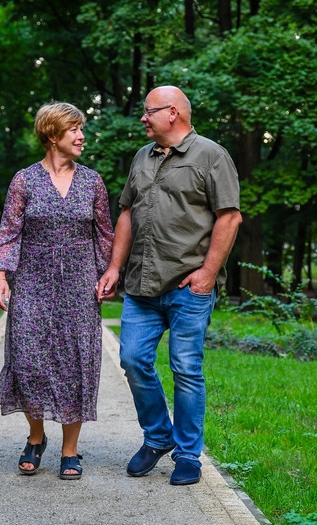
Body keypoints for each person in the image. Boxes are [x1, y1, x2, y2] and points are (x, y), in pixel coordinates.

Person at [97, 86, 242, 486]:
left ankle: (188, 454)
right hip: (142, 284)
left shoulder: (211, 155)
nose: (143, 118)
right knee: (132, 359)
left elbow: (229, 217)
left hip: (187, 285)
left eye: (149, 111)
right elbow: (127, 214)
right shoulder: (142, 157)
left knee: (186, 369)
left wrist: (207, 274)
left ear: (173, 112)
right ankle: (158, 435)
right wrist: (114, 267)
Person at [0, 101, 114, 480]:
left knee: (76, 363)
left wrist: (109, 273)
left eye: (81, 129)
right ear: (52, 135)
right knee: (28, 361)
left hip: (79, 285)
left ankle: (70, 449)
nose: (82, 136)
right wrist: (0, 275)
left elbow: (104, 234)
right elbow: (9, 231)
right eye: (74, 129)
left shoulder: (92, 182)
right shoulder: (24, 181)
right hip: (32, 282)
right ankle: (36, 435)